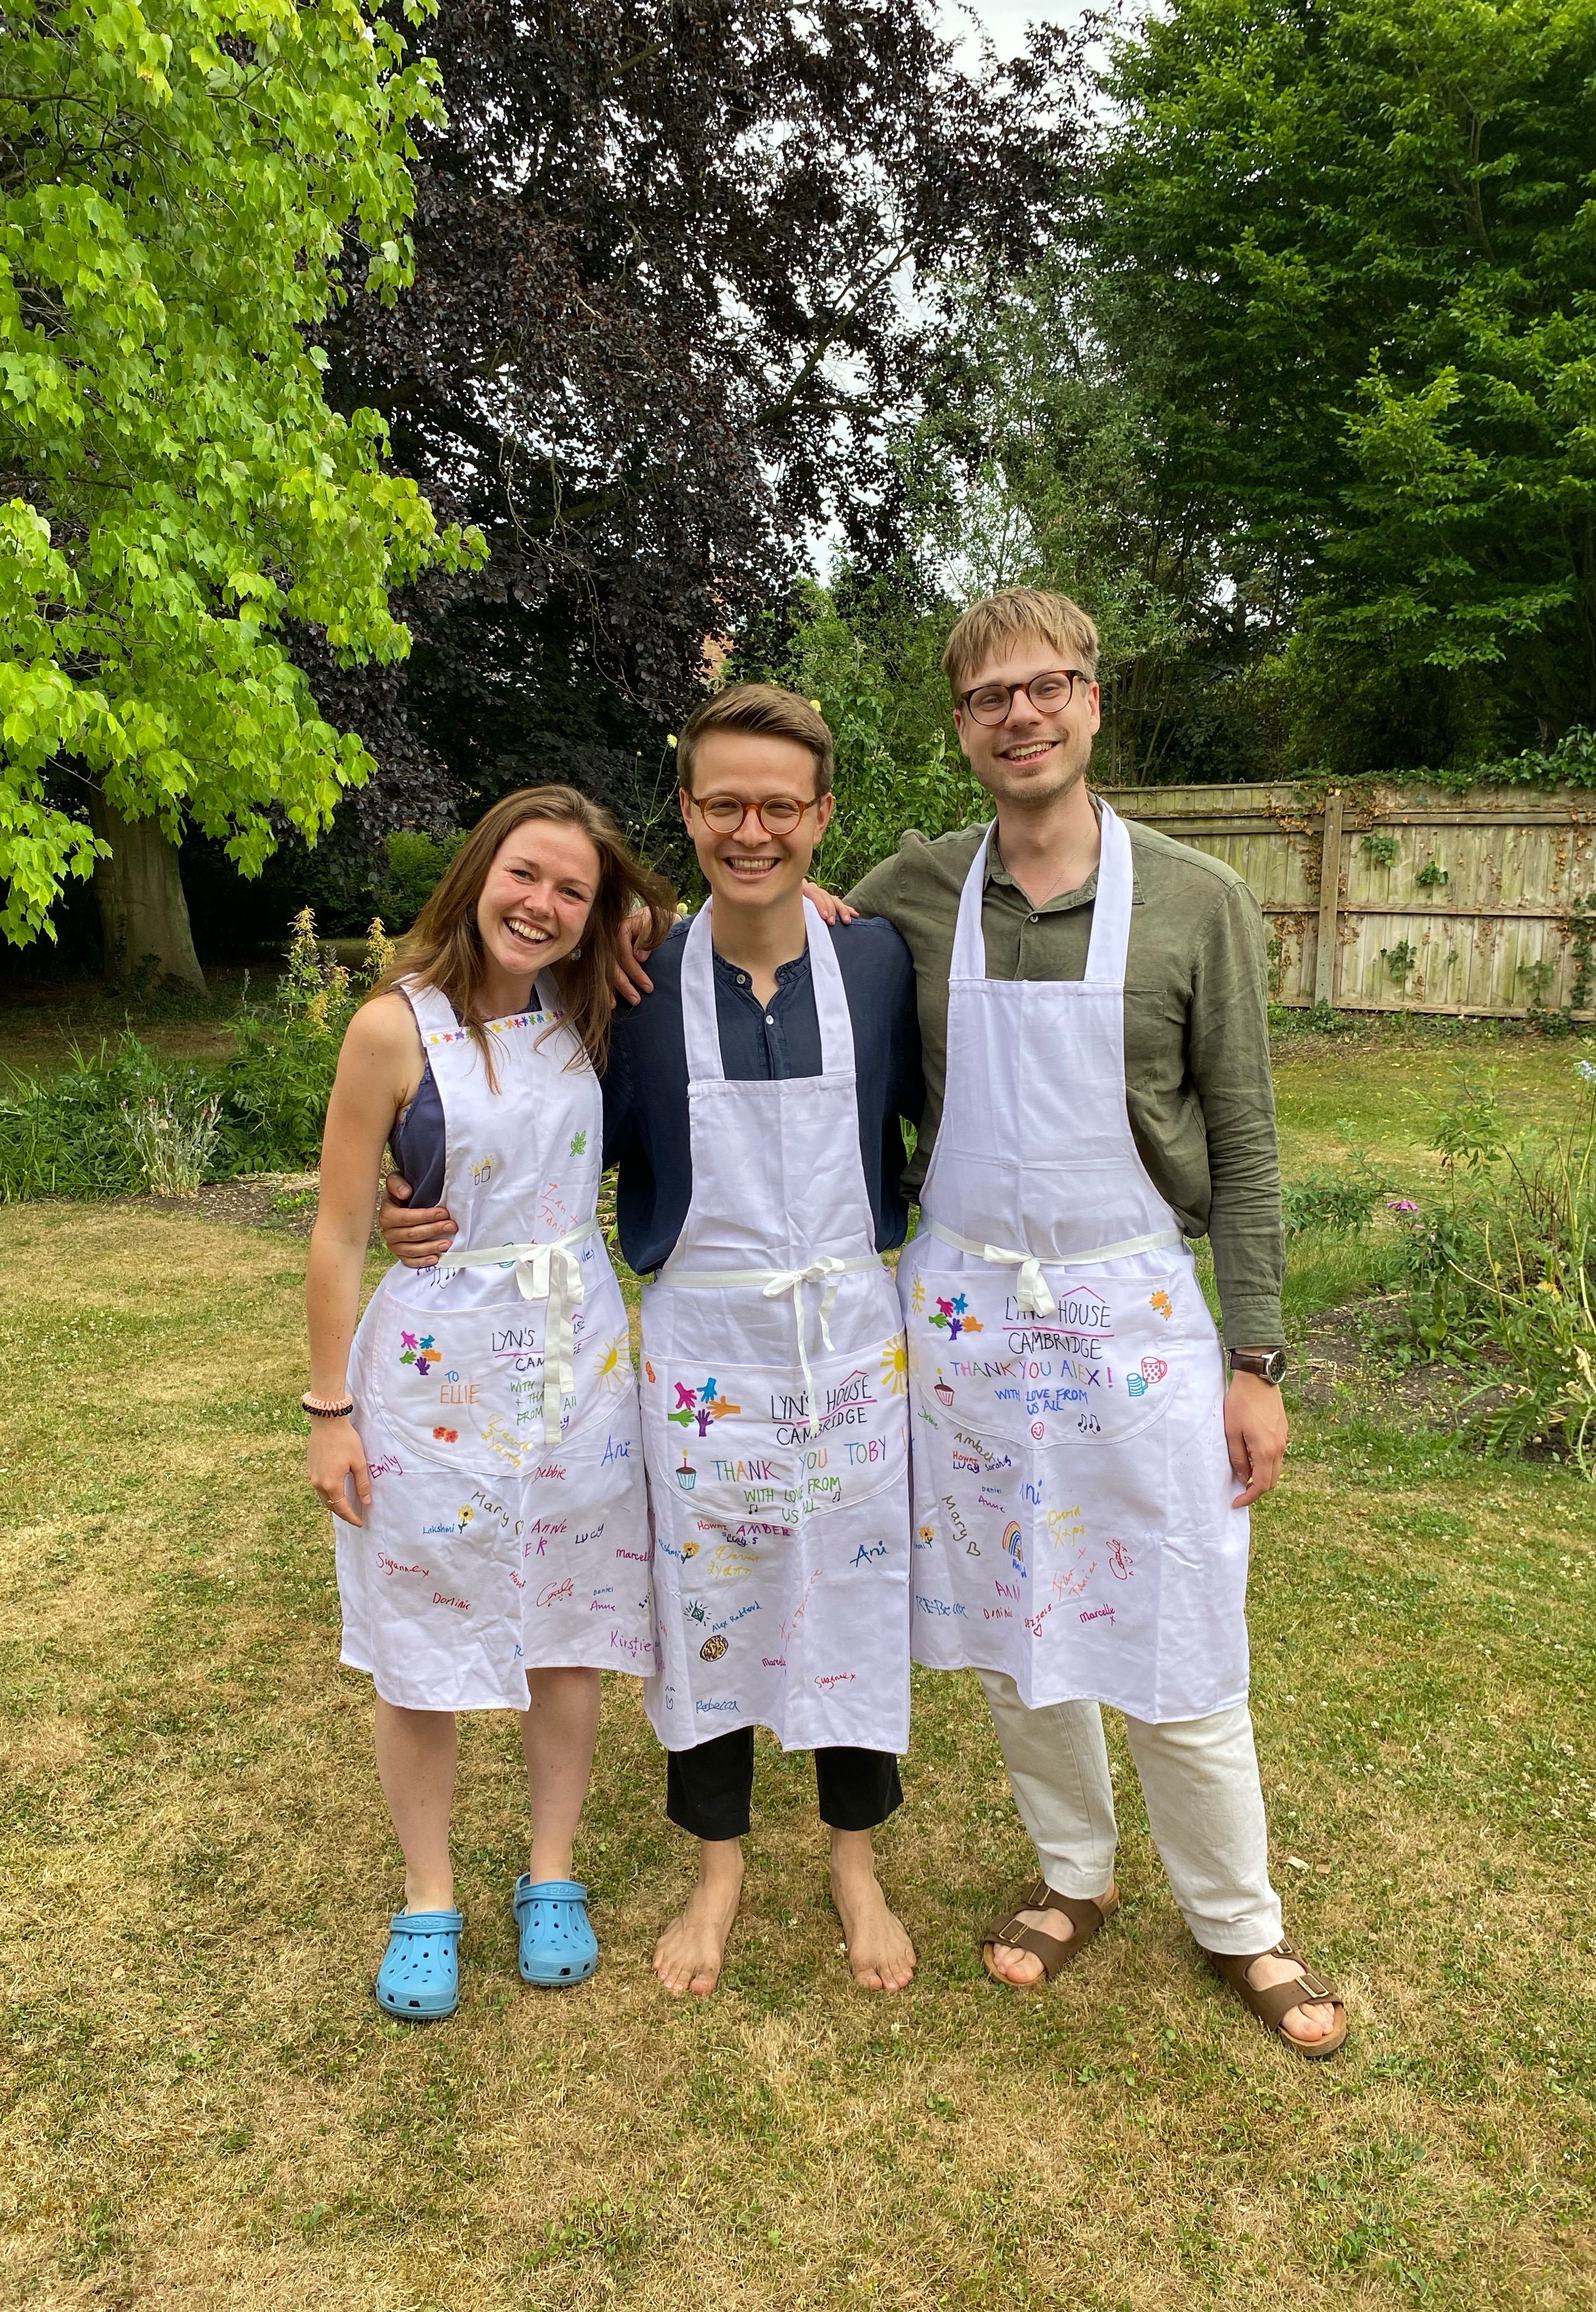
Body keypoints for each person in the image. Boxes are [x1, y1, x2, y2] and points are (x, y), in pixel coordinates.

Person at [813, 587, 1348, 2059]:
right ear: (962, 725)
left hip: (1136, 1314)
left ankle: (1240, 1919)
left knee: (1177, 1618)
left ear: (1094, 703)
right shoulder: (910, 893)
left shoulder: (1194, 899)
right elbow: (799, 996)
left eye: (1047, 687)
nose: (1021, 716)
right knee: (1008, 1621)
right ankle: (1075, 1875)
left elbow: (1243, 1144)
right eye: (990, 697)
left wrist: (1256, 1359)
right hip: (971, 1323)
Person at [380, 687, 926, 1999]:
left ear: (821, 817)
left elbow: (922, 1115)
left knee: (853, 1589)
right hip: (700, 1338)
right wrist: (417, 1199)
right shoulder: (629, 975)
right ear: (685, 812)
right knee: (709, 1598)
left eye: (780, 806)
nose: (753, 829)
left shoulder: (879, 960)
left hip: (849, 1335)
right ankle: (718, 1868)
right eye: (724, 802)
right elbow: (533, 1123)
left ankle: (857, 1864)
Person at [304, 785, 672, 2018]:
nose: (543, 905)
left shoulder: (591, 1010)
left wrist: (650, 915)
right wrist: (327, 1410)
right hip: (431, 1378)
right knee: (422, 1643)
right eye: (527, 875)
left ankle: (551, 1875)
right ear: (479, 873)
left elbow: (733, 909)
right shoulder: (391, 1029)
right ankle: (427, 1897)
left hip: (578, 1363)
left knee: (566, 1627)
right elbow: (338, 1233)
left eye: (573, 891)